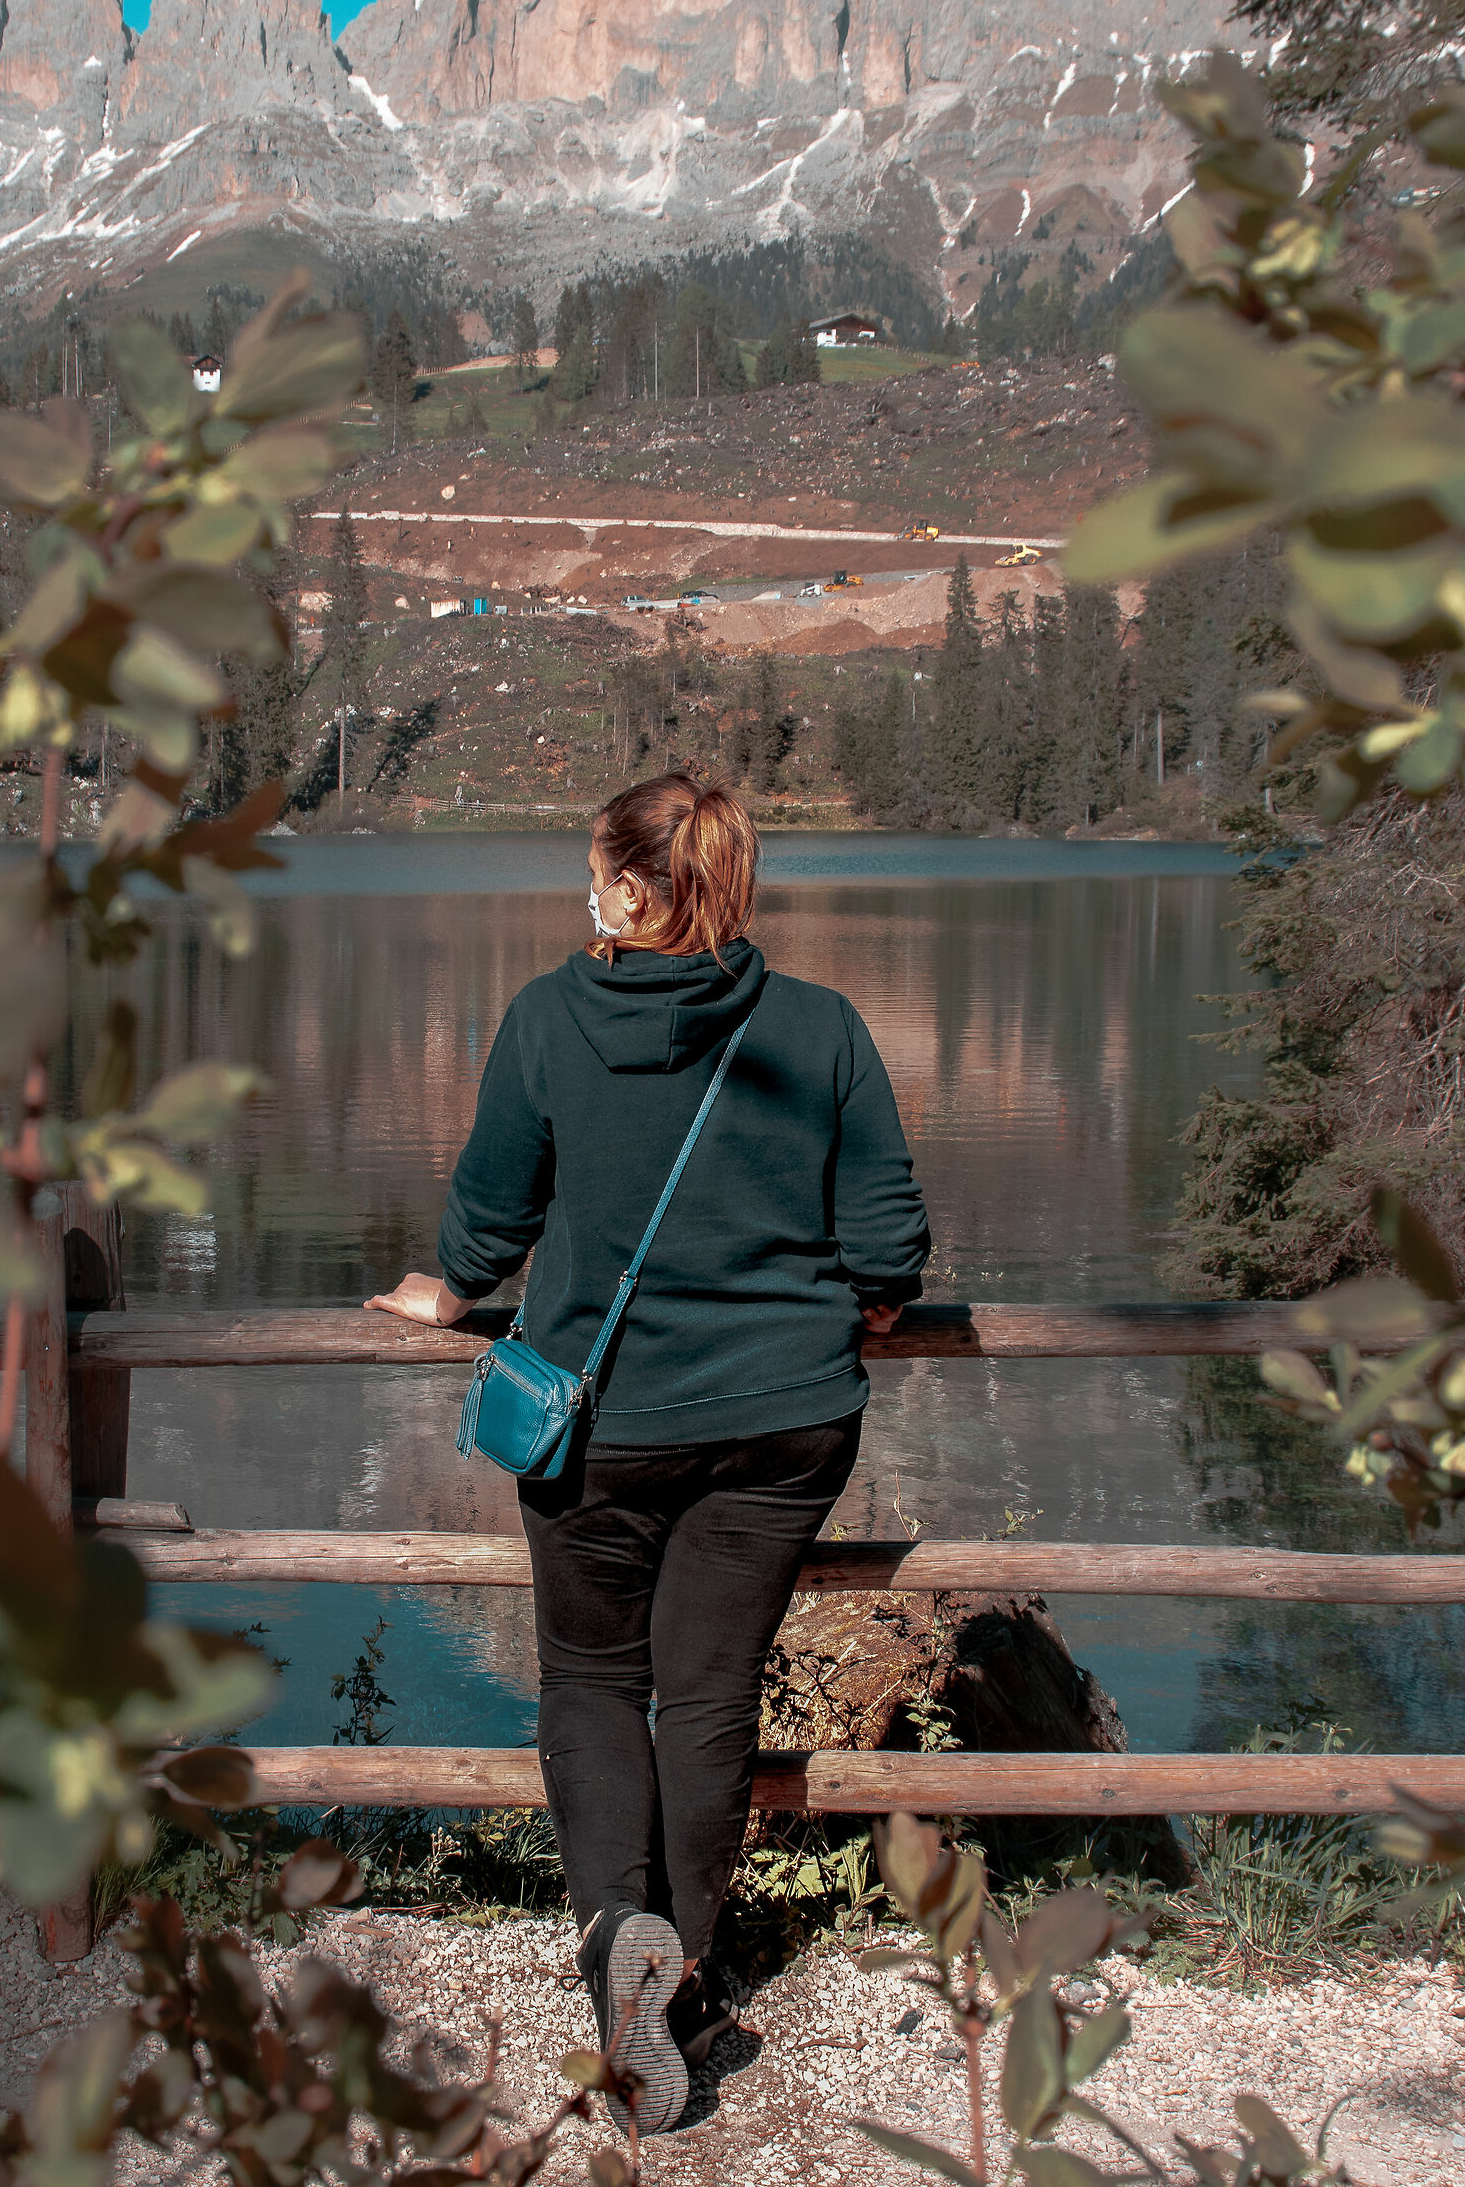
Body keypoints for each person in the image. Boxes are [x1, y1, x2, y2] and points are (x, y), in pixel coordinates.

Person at [366, 772, 930, 2134]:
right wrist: (865, 1300)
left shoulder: (552, 1020)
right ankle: (673, 1989)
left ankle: (622, 1930)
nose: (584, 894)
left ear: (632, 887)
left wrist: (444, 1297)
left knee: (594, 1683)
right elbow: (889, 1254)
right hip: (785, 1422)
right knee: (712, 1693)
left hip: (603, 1422)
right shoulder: (821, 1026)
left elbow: (488, 1229)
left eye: (595, 872)